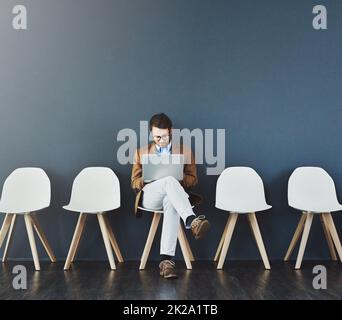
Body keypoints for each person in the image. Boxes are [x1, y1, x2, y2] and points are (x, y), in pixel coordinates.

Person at [131, 113, 210, 279]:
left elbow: (193, 178)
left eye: (164, 136)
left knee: (171, 197)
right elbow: (134, 181)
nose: (161, 140)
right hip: (150, 196)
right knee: (168, 181)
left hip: (174, 196)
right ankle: (191, 220)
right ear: (151, 134)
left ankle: (166, 262)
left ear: (171, 131)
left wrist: (177, 178)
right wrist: (146, 180)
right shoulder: (141, 152)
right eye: (157, 137)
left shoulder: (185, 151)